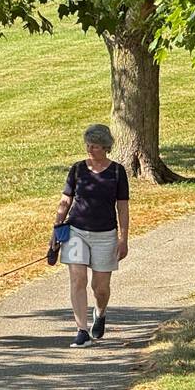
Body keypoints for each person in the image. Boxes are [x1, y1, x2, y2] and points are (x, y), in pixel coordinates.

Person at [49, 124, 130, 347]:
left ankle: (100, 313)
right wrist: (56, 228)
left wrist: (123, 238)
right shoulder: (77, 169)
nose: (89, 149)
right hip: (76, 232)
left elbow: (122, 207)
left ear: (105, 147)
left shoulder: (117, 172)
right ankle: (81, 331)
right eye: (87, 145)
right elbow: (65, 200)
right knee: (78, 279)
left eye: (94, 146)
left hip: (106, 235)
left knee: (100, 288)